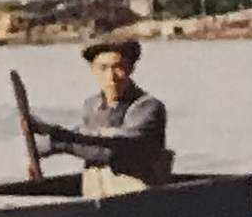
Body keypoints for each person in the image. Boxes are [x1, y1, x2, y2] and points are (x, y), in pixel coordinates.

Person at [21, 36, 173, 199]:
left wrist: (56, 135)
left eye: (118, 67)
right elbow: (81, 137)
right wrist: (35, 152)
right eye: (103, 68)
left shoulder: (147, 107)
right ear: (93, 70)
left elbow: (111, 150)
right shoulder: (92, 106)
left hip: (141, 202)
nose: (111, 77)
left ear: (131, 68)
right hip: (98, 199)